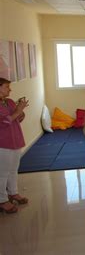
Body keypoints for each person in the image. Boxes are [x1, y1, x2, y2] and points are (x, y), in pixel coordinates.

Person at [0, 78, 29, 214]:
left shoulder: (9, 102)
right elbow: (4, 122)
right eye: (6, 87)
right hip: (3, 143)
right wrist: (17, 111)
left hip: (15, 140)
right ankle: (2, 200)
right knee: (2, 172)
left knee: (13, 169)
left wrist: (21, 112)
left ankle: (13, 193)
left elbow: (17, 118)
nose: (9, 90)